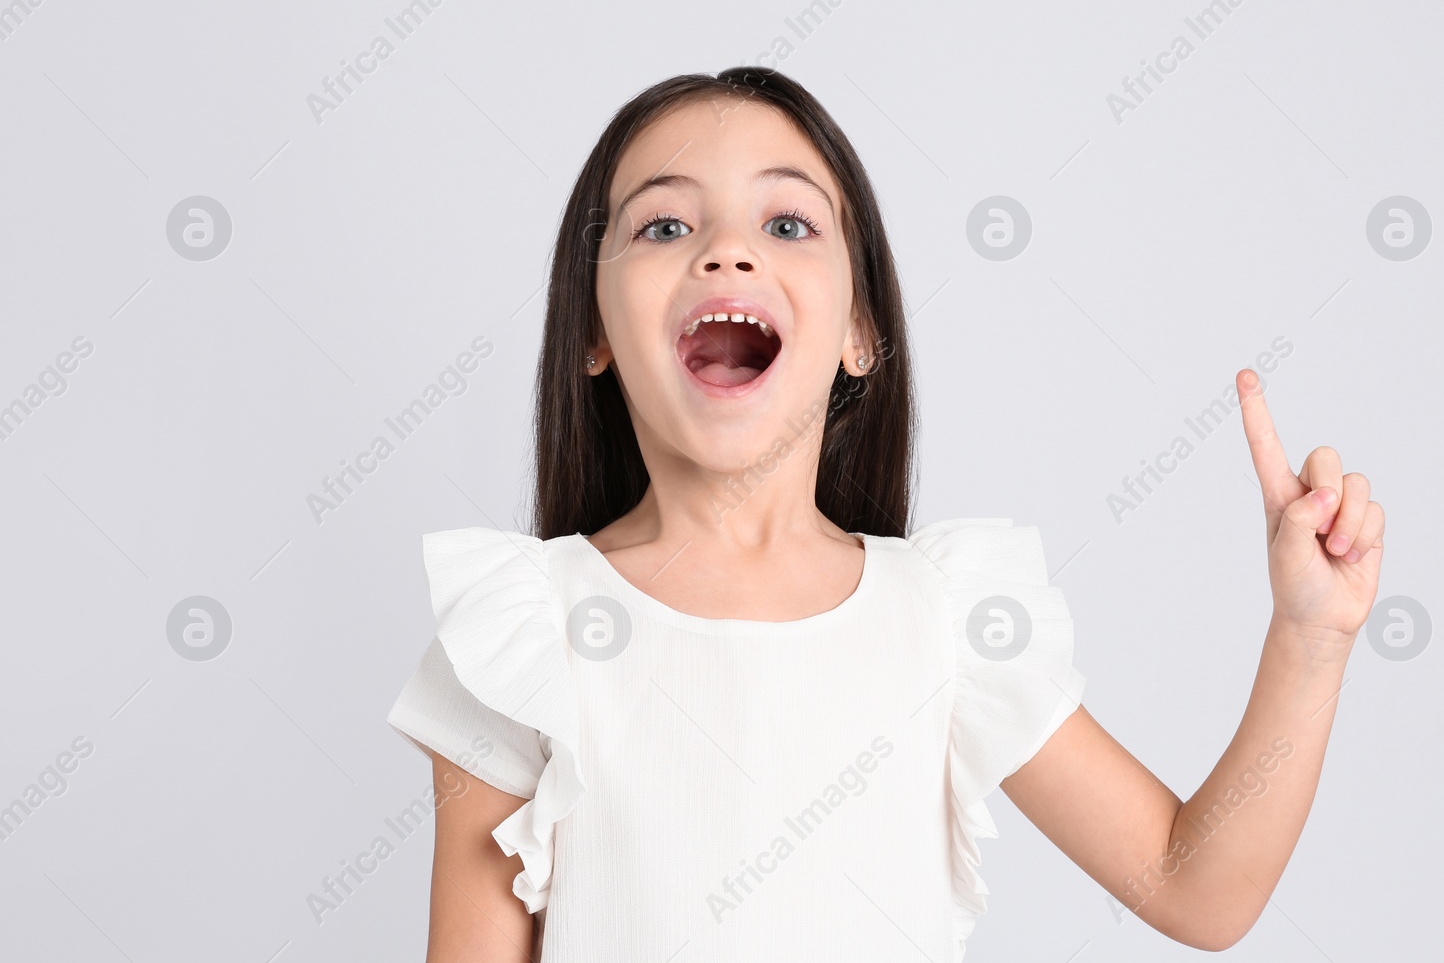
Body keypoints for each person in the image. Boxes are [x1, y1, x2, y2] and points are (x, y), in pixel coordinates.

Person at [386, 66, 1385, 962]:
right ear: (595, 331)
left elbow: (1195, 888)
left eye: (786, 224)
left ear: (860, 330)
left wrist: (1310, 636)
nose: (728, 251)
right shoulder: (519, 634)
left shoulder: (943, 615)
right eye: (663, 225)